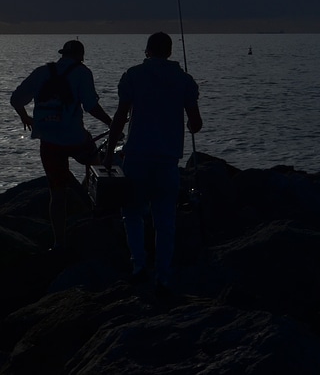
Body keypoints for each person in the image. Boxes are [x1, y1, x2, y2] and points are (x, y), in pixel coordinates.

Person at [105, 32, 202, 290]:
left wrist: (108, 152)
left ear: (147, 50)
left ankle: (138, 265)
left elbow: (120, 117)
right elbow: (196, 123)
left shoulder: (133, 76)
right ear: (170, 52)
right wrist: (190, 124)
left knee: (133, 214)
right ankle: (163, 274)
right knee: (165, 220)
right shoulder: (184, 81)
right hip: (168, 158)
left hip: (137, 155)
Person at [11, 39, 113, 250]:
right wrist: (113, 123)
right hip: (75, 138)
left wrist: (25, 117)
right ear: (80, 57)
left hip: (49, 142)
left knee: (56, 193)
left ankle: (59, 243)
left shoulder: (42, 72)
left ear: (62, 54)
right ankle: (93, 208)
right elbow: (91, 107)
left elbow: (16, 99)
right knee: (95, 164)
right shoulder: (83, 73)